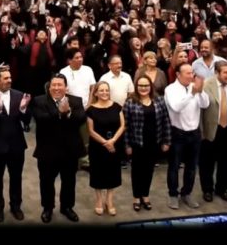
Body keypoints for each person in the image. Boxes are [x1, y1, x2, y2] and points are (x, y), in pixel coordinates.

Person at [32, 74, 86, 223]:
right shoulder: (39, 101)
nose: (56, 88)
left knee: (69, 181)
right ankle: (47, 208)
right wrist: (60, 113)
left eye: (59, 85)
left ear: (66, 87)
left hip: (69, 151)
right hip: (47, 150)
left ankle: (67, 207)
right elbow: (41, 119)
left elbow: (81, 119)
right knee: (46, 181)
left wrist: (68, 112)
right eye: (53, 85)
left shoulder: (76, 101)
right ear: (49, 88)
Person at [0, 65, 31, 223]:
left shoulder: (19, 95)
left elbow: (26, 121)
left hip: (17, 145)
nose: (10, 80)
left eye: (10, 78)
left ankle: (16, 206)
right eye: (6, 78)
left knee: (16, 178)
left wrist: (24, 109)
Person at [164, 63, 210, 210]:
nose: (192, 76)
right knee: (174, 166)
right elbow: (176, 107)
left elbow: (205, 104)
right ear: (178, 74)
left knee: (191, 167)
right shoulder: (170, 89)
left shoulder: (194, 87)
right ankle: (173, 195)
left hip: (195, 133)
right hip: (178, 132)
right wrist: (192, 94)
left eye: (192, 73)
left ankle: (187, 193)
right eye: (188, 73)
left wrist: (200, 92)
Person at [199, 60, 227, 203]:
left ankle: (222, 188)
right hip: (210, 129)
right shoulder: (206, 85)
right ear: (217, 73)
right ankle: (207, 190)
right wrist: (200, 131)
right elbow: (199, 110)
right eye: (226, 73)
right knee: (207, 162)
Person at [123, 76, 171, 211]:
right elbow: (125, 126)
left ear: (151, 87)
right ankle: (136, 197)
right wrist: (127, 145)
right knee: (137, 171)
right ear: (136, 87)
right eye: (140, 86)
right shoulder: (130, 102)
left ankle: (145, 195)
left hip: (154, 142)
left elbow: (166, 121)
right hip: (137, 143)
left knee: (149, 171)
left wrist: (167, 140)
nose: (143, 88)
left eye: (146, 85)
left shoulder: (159, 100)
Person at [86, 81, 125, 216]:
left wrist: (113, 141)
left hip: (114, 145)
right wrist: (105, 143)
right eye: (101, 90)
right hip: (98, 147)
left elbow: (122, 126)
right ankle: (99, 200)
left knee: (112, 172)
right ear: (96, 93)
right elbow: (91, 131)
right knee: (98, 173)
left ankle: (109, 200)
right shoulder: (91, 109)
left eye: (106, 90)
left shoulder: (117, 106)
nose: (104, 93)